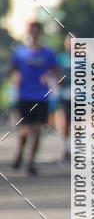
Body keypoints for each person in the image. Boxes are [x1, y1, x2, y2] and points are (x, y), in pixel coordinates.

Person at [9, 20, 60, 175]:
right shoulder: (19, 52)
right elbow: (12, 71)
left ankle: (30, 162)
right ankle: (19, 154)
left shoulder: (48, 53)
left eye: (37, 31)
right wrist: (15, 76)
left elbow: (57, 72)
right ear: (28, 32)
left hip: (41, 97)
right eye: (31, 30)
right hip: (24, 96)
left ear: (40, 33)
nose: (34, 34)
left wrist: (50, 76)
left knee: (37, 130)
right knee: (24, 131)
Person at [56, 32, 75, 162]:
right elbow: (54, 74)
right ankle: (65, 148)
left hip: (80, 95)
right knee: (64, 123)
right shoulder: (60, 59)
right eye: (69, 42)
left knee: (79, 124)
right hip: (64, 95)